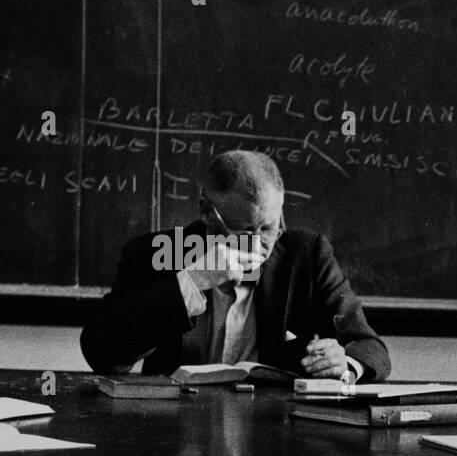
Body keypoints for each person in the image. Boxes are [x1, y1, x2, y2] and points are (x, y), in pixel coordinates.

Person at [81, 150, 390, 381]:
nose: (257, 245)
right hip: (173, 436)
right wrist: (191, 280)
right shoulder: (156, 253)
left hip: (274, 438)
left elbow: (369, 345)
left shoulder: (307, 255)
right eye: (243, 231)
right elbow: (102, 355)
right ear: (205, 211)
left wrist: (345, 365)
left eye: (268, 228)